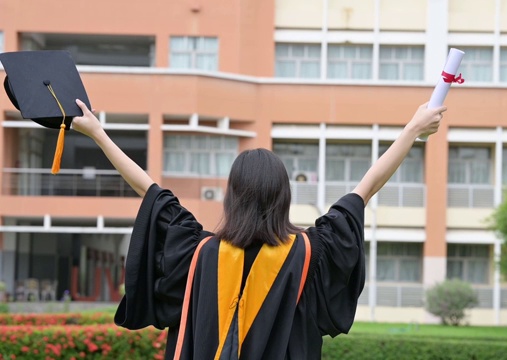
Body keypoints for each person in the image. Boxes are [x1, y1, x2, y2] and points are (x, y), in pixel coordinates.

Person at [71, 98, 446, 360]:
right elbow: (365, 188)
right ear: (284, 196)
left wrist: (99, 135)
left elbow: (151, 191)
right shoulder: (311, 253)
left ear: (231, 196)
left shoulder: (199, 254)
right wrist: (412, 129)